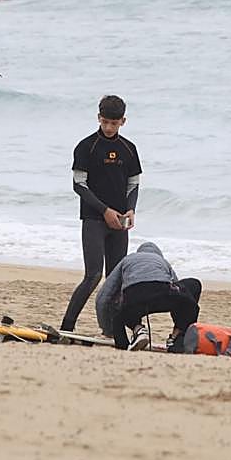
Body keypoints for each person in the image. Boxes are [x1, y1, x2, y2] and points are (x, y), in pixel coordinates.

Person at [60, 94, 141, 332]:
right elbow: (79, 184)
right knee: (93, 275)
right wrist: (105, 210)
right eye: (105, 122)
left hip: (120, 222)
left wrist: (131, 209)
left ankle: (111, 330)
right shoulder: (86, 146)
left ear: (123, 121)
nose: (108, 127)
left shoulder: (129, 148)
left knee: (115, 280)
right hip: (94, 219)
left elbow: (133, 184)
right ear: (98, 118)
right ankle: (67, 326)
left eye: (114, 123)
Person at [96, 242, 201, 351]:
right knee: (192, 288)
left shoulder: (127, 259)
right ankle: (177, 337)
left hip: (135, 300)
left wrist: (107, 329)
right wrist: (180, 317)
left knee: (120, 307)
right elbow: (177, 287)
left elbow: (103, 297)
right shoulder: (162, 261)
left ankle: (136, 332)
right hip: (163, 295)